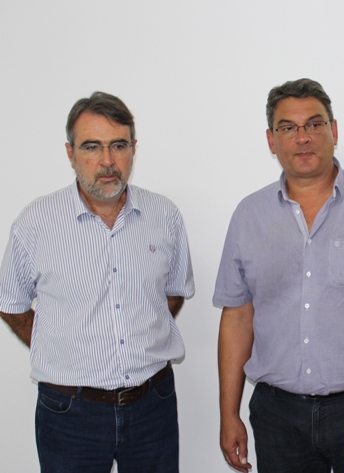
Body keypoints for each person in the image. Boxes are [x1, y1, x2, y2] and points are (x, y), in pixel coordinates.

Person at [213, 78, 344, 473]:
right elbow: (237, 317)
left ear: (333, 130)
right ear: (271, 140)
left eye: (314, 124)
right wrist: (228, 413)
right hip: (277, 415)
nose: (303, 137)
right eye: (288, 127)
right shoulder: (249, 216)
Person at [0, 91, 194, 472]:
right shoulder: (35, 223)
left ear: (134, 149)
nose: (107, 161)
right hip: (69, 413)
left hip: (152, 406)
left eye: (118, 145)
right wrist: (58, 343)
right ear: (70, 153)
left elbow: (172, 295)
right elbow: (10, 303)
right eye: (92, 146)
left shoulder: (164, 216)